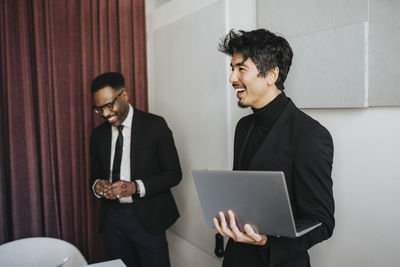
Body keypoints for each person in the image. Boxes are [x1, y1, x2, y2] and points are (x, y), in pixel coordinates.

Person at [213, 29, 335, 267]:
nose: (232, 79)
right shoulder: (243, 126)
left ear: (271, 74)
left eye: (241, 69)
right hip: (236, 258)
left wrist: (267, 242)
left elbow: (322, 222)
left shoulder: (311, 136)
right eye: (232, 69)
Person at [89, 72, 181, 267]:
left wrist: (135, 187)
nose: (105, 114)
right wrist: (98, 186)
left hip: (148, 217)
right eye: (98, 109)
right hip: (111, 220)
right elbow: (94, 176)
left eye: (108, 105)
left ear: (124, 95)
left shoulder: (155, 125)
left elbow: (174, 174)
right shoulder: (97, 135)